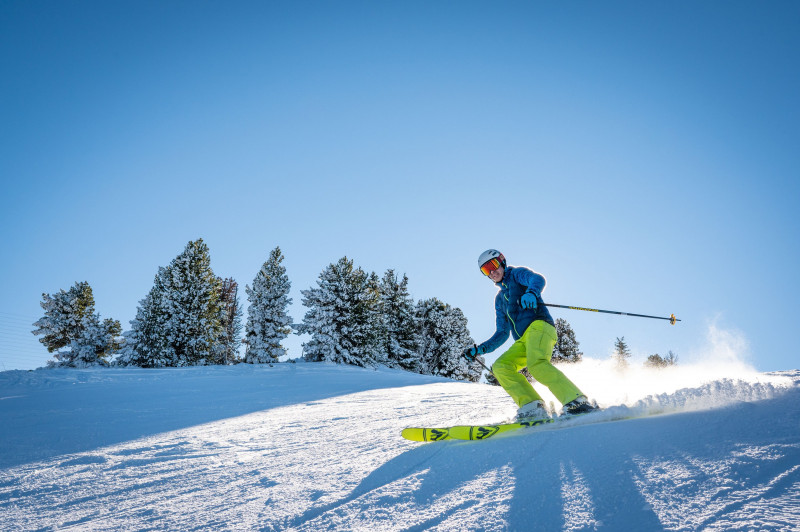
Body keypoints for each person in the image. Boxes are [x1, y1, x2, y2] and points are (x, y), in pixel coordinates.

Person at [463, 249, 597, 422]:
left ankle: (576, 401)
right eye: (485, 270)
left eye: (493, 265)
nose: (492, 272)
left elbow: (538, 279)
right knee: (501, 367)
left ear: (502, 262)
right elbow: (502, 333)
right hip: (523, 340)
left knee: (536, 365)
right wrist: (480, 349)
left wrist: (532, 292)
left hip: (540, 326)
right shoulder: (500, 299)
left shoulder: (516, 275)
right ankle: (532, 406)